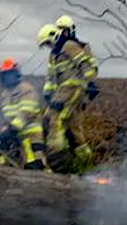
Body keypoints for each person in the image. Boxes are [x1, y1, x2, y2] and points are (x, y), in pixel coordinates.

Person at [37, 22, 99, 171]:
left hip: (73, 87)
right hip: (63, 90)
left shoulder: (69, 46)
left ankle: (59, 160)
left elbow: (84, 63)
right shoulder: (55, 54)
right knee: (73, 128)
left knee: (55, 119)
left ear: (53, 36)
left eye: (47, 43)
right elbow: (51, 77)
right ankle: (85, 163)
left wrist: (90, 83)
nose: (48, 46)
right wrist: (48, 94)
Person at [0, 58, 47, 170]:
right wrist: (5, 128)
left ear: (16, 74)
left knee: (35, 166)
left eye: (9, 74)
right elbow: (7, 116)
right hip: (17, 137)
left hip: (31, 136)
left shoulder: (26, 89)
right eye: (4, 75)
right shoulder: (6, 94)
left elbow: (26, 112)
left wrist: (12, 129)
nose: (7, 78)